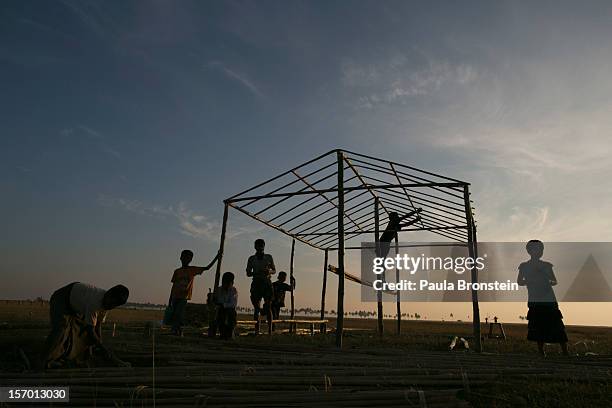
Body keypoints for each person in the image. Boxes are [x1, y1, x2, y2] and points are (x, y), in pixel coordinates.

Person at [43, 282, 130, 368]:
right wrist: (103, 348)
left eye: (113, 305)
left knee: (80, 334)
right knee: (60, 330)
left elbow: (97, 325)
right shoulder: (95, 302)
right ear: (109, 293)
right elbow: (91, 330)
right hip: (62, 298)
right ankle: (42, 360)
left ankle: (70, 358)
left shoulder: (106, 305)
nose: (110, 306)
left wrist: (100, 343)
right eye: (111, 303)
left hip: (75, 305)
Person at [517, 240, 569, 356]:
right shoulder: (524, 266)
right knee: (538, 325)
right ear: (529, 251)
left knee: (556, 325)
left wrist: (544, 280)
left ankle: (565, 351)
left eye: (541, 249)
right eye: (536, 249)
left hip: (549, 299)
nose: (539, 252)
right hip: (535, 300)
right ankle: (541, 352)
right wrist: (531, 281)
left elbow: (554, 281)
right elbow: (519, 282)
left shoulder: (546, 265)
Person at [169, 249, 220, 336]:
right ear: (180, 258)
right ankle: (175, 330)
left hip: (183, 297)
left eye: (188, 258)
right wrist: (170, 298)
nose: (186, 260)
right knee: (174, 314)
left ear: (190, 260)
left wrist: (217, 257)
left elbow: (207, 267)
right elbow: (173, 286)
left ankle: (177, 330)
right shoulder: (177, 271)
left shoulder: (192, 270)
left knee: (179, 313)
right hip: (175, 296)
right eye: (184, 258)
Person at [246, 239, 276, 332]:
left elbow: (274, 270)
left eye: (261, 245)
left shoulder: (268, 257)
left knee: (268, 306)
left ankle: (270, 331)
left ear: (264, 246)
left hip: (267, 283)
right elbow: (248, 273)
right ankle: (257, 331)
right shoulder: (251, 259)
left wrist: (269, 271)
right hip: (256, 283)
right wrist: (256, 273)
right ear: (255, 247)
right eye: (258, 245)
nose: (260, 247)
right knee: (256, 307)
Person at [215, 272, 238, 339]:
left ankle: (230, 332)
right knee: (220, 314)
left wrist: (223, 304)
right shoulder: (218, 290)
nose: (226, 284)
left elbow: (233, 304)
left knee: (231, 313)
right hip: (220, 310)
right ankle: (222, 332)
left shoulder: (233, 291)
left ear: (231, 282)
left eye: (228, 282)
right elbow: (217, 301)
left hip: (229, 310)